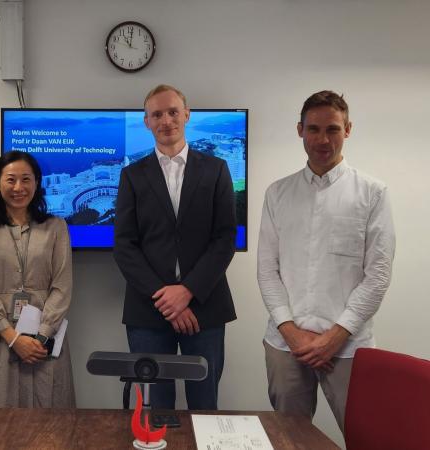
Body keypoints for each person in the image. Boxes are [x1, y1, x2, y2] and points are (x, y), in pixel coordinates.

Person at [257, 90, 396, 433]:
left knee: (363, 436)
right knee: (289, 438)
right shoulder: (278, 193)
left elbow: (377, 275)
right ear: (299, 130)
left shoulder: (372, 193)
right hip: (285, 345)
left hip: (348, 346)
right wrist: (290, 331)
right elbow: (266, 270)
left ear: (348, 129)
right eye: (314, 129)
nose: (323, 139)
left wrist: (337, 335)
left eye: (332, 129)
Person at [113, 84, 237, 410]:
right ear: (146, 122)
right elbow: (125, 245)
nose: (166, 120)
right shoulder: (131, 176)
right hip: (148, 309)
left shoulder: (216, 169)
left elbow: (225, 238)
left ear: (186, 115)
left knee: (204, 402)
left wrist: (187, 292)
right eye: (157, 114)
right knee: (156, 405)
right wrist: (165, 295)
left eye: (172, 112)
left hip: (205, 306)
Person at [0, 151, 75, 428]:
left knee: (48, 418)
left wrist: (41, 336)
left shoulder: (56, 227)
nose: (18, 187)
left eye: (26, 179)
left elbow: (62, 286)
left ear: (37, 183)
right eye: (10, 179)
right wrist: (13, 338)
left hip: (44, 341)